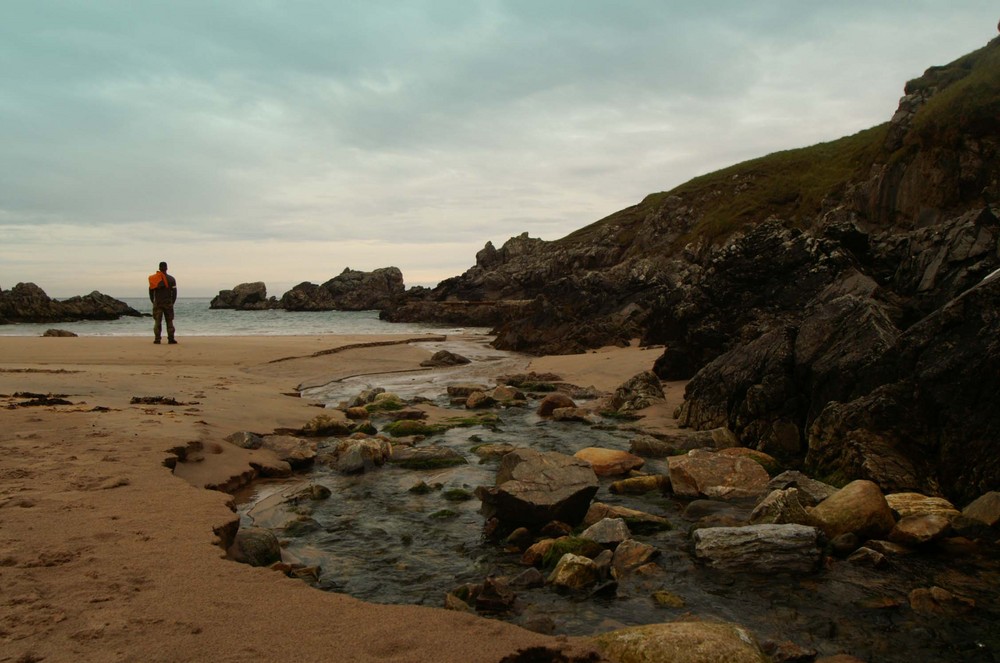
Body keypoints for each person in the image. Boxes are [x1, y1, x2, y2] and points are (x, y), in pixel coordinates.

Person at [148, 261, 178, 344]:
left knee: (157, 322)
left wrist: (153, 301)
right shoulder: (171, 279)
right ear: (167, 268)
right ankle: (171, 339)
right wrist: (172, 302)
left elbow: (150, 291)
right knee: (169, 321)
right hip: (168, 303)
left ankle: (157, 339)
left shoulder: (154, 279)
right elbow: (175, 292)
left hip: (158, 303)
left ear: (159, 268)